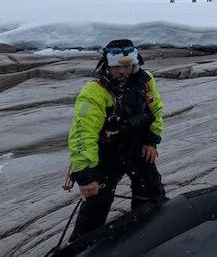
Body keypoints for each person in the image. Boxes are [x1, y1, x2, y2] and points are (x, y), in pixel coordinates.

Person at [67, 39, 165, 241]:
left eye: (127, 66)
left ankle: (146, 234)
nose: (123, 71)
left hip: (137, 146)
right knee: (96, 203)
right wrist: (85, 175)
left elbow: (155, 110)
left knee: (151, 190)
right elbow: (82, 132)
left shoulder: (145, 81)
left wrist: (151, 141)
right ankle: (81, 246)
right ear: (107, 66)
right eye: (117, 67)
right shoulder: (94, 92)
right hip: (107, 152)